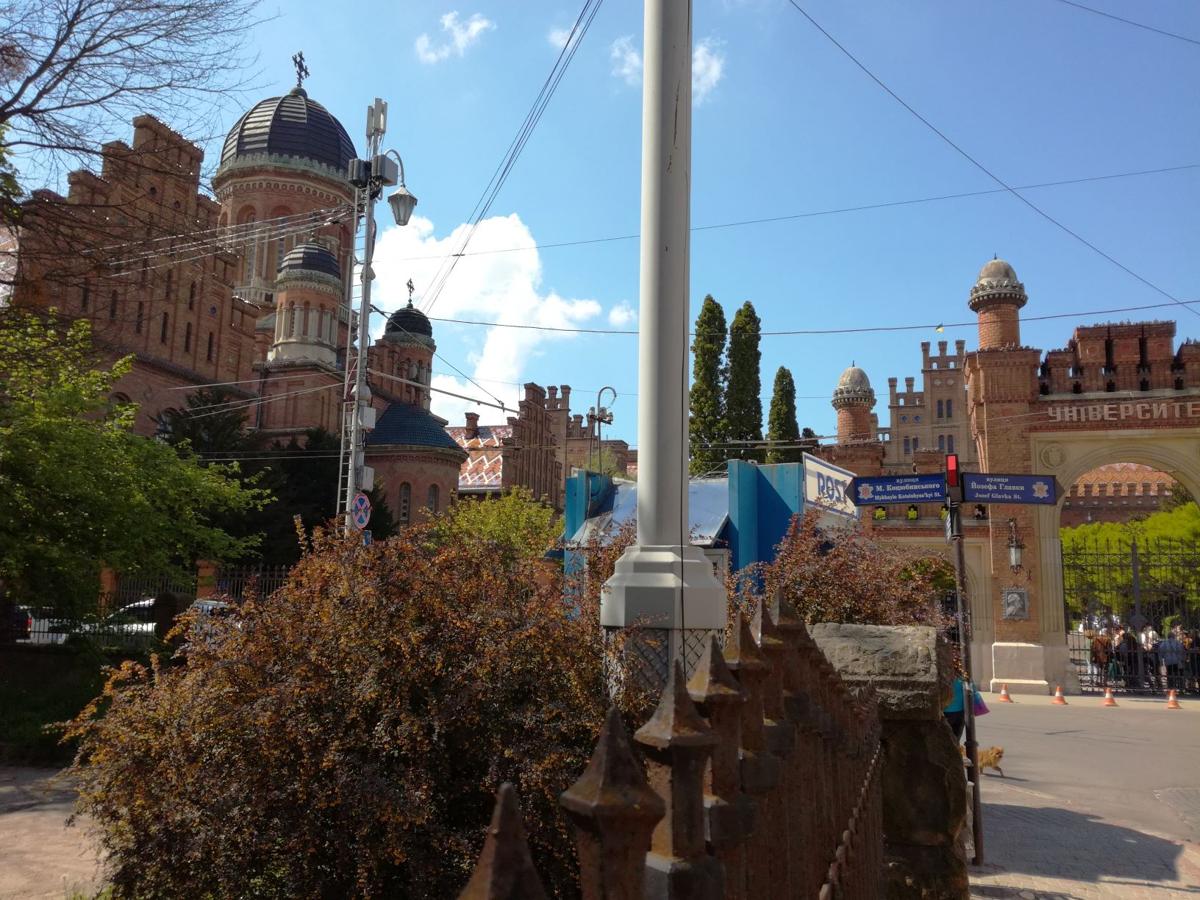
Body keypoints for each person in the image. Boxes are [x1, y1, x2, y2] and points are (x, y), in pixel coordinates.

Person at [1158, 627, 1186, 692]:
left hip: (1168, 661)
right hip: (1177, 661)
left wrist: (1161, 662)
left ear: (1168, 636)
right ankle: (1181, 688)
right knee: (1179, 675)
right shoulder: (1178, 643)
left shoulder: (1164, 643)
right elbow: (1181, 651)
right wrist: (1182, 659)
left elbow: (1160, 653)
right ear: (1174, 636)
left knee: (1170, 675)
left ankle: (1171, 688)